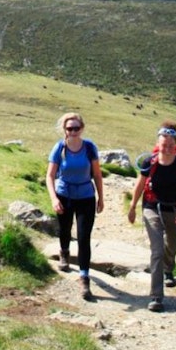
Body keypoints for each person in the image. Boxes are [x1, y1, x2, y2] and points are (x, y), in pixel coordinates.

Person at [127, 121, 176, 312]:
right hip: (152, 208)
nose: (166, 149)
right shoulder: (151, 162)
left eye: (170, 146)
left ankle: (168, 269)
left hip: (175, 209)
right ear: (158, 144)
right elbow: (140, 186)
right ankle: (157, 297)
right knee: (156, 250)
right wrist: (132, 207)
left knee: (171, 244)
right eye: (163, 145)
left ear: (175, 145)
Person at [46, 112, 104, 301]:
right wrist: (54, 198)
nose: (73, 132)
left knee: (83, 237)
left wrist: (101, 198)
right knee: (64, 229)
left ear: (82, 129)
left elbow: (97, 174)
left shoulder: (89, 148)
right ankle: (64, 252)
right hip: (65, 195)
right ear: (65, 130)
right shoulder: (59, 148)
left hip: (86, 196)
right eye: (69, 128)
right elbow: (50, 175)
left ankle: (84, 277)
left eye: (76, 128)